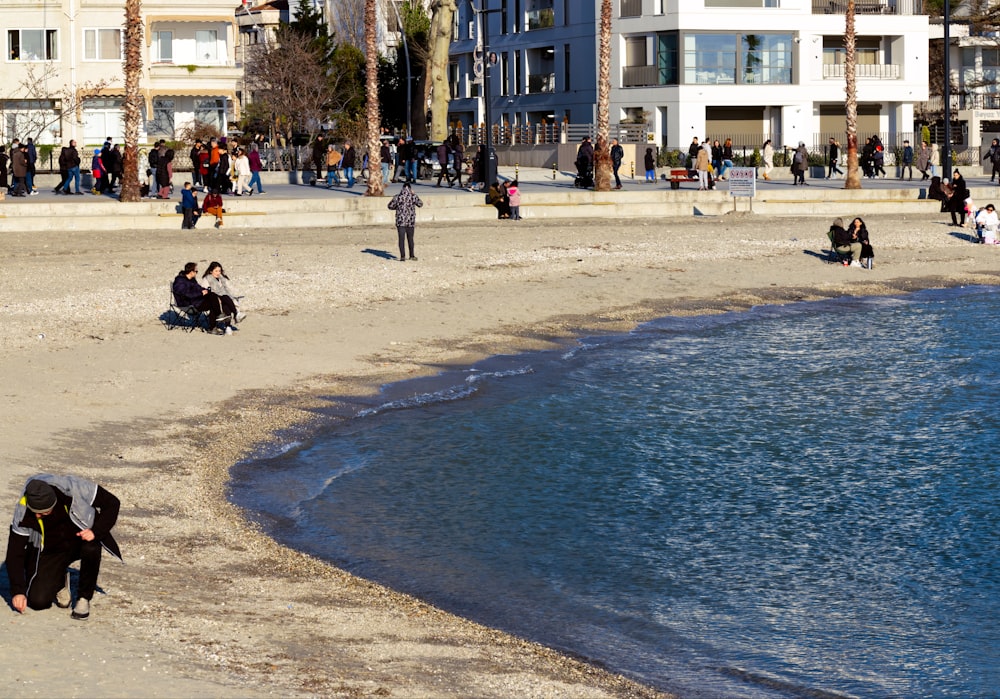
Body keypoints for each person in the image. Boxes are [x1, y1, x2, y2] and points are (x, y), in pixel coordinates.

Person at [5, 474, 122, 620]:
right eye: (36, 513)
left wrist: (96, 532)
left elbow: (112, 503)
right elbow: (14, 553)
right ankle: (60, 580)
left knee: (91, 547)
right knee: (37, 601)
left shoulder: (73, 487)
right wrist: (18, 591)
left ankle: (83, 598)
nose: (39, 516)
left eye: (44, 512)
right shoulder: (22, 512)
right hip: (51, 550)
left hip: (80, 539)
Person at [172, 262, 237, 333]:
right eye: (196, 271)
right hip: (187, 304)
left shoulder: (192, 279)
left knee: (213, 296)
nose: (197, 273)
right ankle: (220, 317)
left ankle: (214, 326)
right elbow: (186, 294)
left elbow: (198, 288)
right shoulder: (180, 281)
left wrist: (204, 290)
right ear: (191, 272)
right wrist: (200, 293)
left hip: (195, 301)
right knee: (213, 301)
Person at [387, 182, 423, 262]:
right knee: (410, 239)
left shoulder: (397, 197)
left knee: (401, 239)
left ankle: (402, 256)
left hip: (400, 221)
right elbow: (420, 204)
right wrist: (414, 194)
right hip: (410, 221)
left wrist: (397, 208)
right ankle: (412, 255)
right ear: (410, 189)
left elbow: (390, 206)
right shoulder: (413, 196)